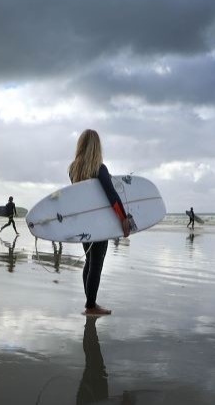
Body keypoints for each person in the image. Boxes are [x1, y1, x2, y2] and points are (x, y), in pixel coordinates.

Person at [69, 129, 131, 316]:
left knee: (90, 260)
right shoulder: (99, 168)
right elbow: (112, 195)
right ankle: (90, 305)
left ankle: (90, 302)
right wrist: (123, 218)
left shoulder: (73, 169)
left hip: (83, 223)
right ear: (97, 146)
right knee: (96, 263)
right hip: (99, 224)